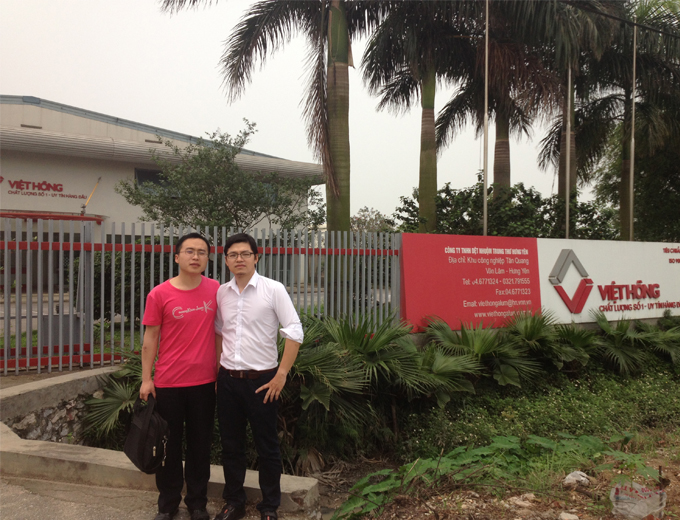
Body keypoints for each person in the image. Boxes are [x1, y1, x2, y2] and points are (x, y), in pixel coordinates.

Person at [214, 233, 303, 520]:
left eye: (245, 254)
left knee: (267, 447)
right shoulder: (222, 293)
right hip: (228, 381)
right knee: (231, 446)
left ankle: (269, 507)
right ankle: (234, 503)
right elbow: (219, 332)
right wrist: (217, 373)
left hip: (263, 382)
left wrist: (281, 374)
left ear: (256, 257)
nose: (239, 259)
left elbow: (294, 330)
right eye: (233, 255)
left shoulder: (273, 289)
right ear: (226, 260)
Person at [140, 232, 220, 520]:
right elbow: (150, 338)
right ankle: (168, 503)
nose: (195, 256)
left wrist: (219, 373)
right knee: (168, 447)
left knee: (200, 446)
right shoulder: (159, 294)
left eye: (201, 252)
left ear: (208, 258)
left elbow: (220, 334)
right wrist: (146, 379)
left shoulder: (216, 290)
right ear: (177, 257)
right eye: (189, 251)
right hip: (168, 383)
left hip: (205, 383)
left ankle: (197, 503)